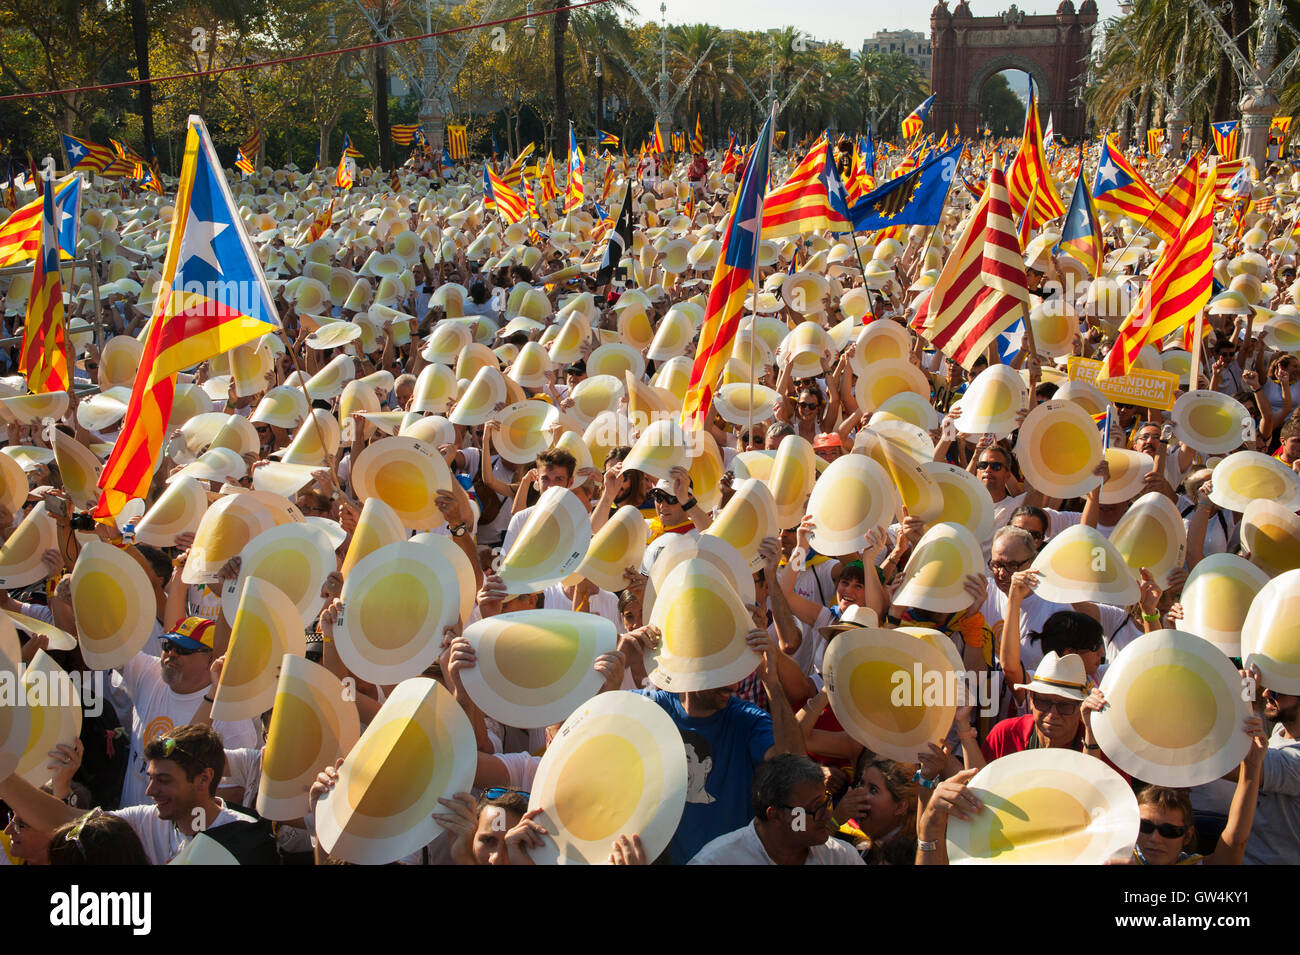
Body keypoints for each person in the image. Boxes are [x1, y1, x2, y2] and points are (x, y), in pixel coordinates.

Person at [636, 626, 806, 863]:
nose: (734, 686)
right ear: (689, 666)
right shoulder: (651, 707)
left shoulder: (747, 719)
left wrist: (773, 684)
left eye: (734, 673)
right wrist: (615, 672)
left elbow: (795, 766)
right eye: (721, 674)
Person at [0, 723, 275, 865]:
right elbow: (65, 820)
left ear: (204, 779)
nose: (150, 791)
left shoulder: (247, 840)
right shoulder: (147, 821)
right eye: (151, 778)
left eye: (164, 780)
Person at [688, 755, 863, 865]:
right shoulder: (716, 860)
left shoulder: (842, 858)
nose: (828, 814)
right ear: (776, 815)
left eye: (826, 803)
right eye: (815, 808)